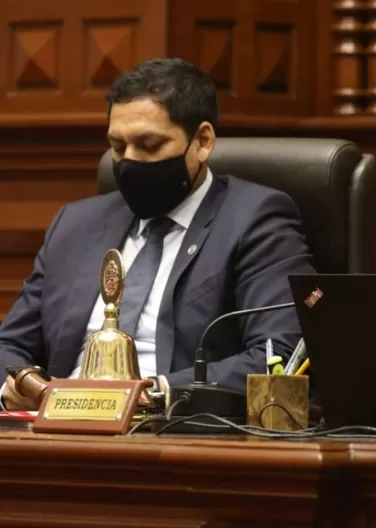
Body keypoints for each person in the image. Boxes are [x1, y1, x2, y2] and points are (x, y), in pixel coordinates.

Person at [0, 58, 315, 410]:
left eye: (149, 145)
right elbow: (8, 344)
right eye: (118, 147)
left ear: (203, 141)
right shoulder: (75, 225)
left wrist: (157, 393)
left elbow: (278, 356)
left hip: (170, 432)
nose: (129, 162)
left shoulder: (255, 219)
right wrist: (12, 386)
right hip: (58, 428)